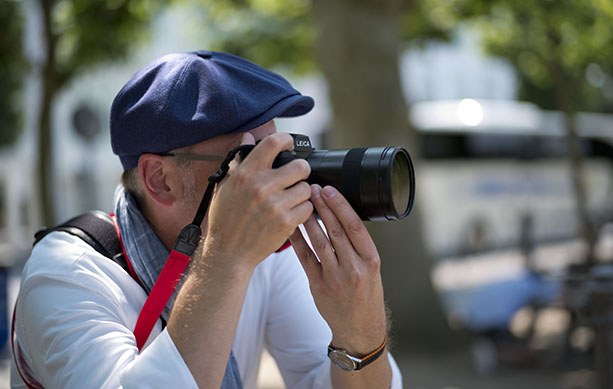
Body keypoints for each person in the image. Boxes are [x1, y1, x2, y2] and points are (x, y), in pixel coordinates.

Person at [11, 50, 402, 388]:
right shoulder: (67, 273)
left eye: (279, 155)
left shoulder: (265, 258)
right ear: (159, 180)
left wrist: (360, 336)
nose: (275, 181)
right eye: (250, 162)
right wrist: (225, 257)